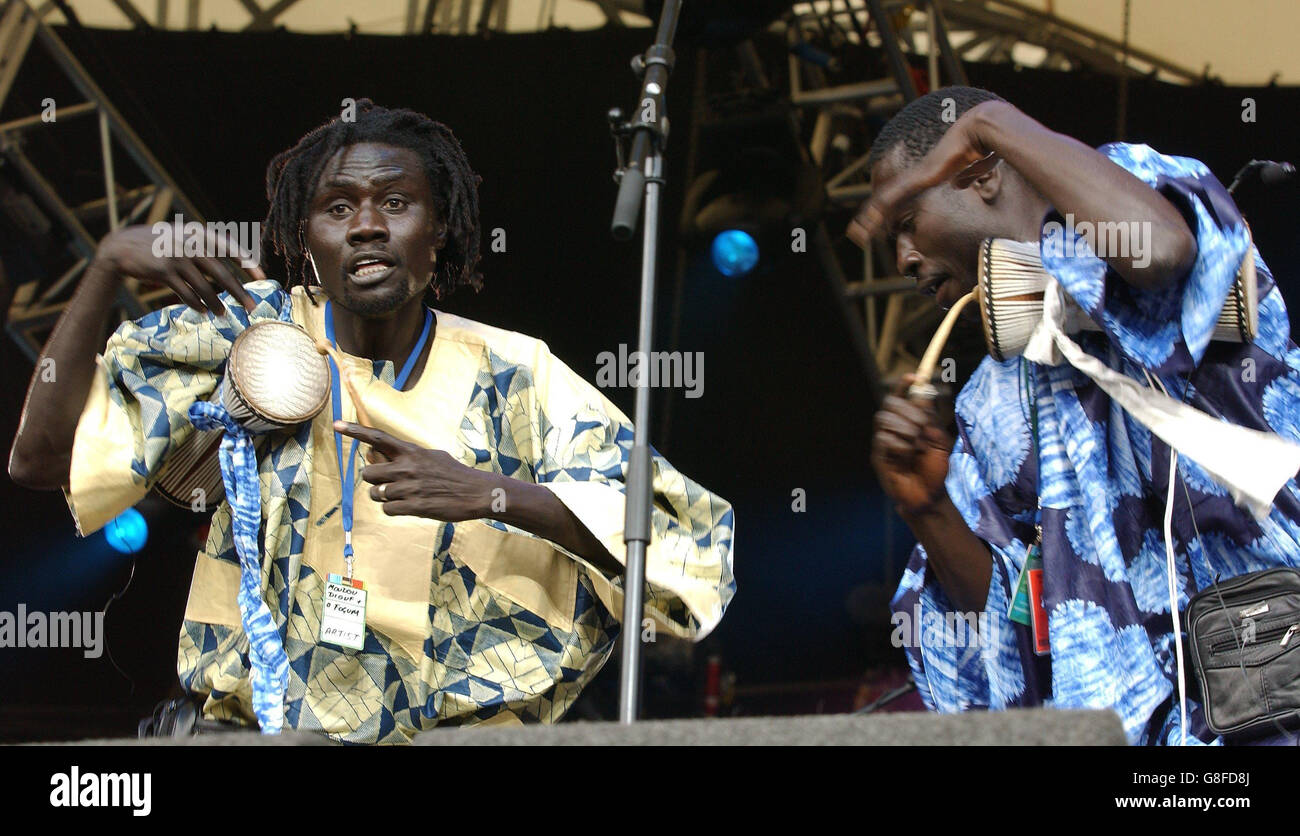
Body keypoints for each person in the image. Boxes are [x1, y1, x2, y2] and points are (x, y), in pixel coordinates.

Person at [8, 101, 735, 743]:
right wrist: (104, 268)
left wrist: (492, 494)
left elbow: (689, 542)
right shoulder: (246, 333)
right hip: (262, 735)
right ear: (305, 236)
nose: (365, 227)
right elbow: (40, 460)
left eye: (395, 203)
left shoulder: (517, 374)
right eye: (337, 208)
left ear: (440, 227)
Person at [854, 86, 1300, 745]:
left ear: (979, 174)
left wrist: (991, 123)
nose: (902, 260)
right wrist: (927, 509)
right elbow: (1009, 642)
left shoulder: (1139, 190)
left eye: (908, 223)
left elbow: (1163, 253)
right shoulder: (989, 402)